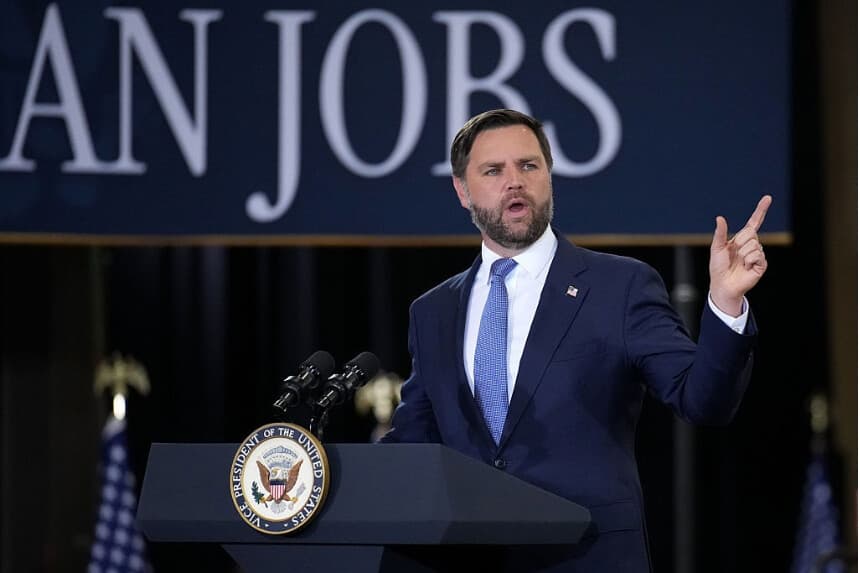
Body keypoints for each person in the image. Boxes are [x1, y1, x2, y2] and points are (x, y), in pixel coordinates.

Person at [378, 109, 770, 572]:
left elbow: (702, 400)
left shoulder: (619, 286)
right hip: (470, 557)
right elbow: (415, 442)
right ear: (462, 190)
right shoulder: (433, 311)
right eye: (493, 170)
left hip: (585, 555)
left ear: (549, 176)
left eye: (528, 166)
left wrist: (725, 304)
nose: (514, 182)